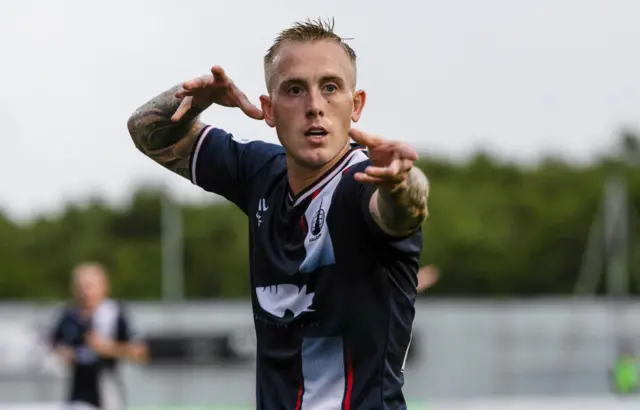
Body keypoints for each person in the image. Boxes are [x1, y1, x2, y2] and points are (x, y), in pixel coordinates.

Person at [127, 18, 429, 409]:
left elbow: (401, 212)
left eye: (331, 87)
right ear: (268, 109)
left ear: (356, 105)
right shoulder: (260, 171)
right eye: (295, 89)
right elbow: (146, 131)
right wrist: (193, 101)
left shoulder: (364, 183)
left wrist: (401, 184)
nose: (315, 106)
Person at [51, 262, 148, 410]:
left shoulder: (115, 314)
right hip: (77, 394)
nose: (85, 292)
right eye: (80, 287)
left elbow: (141, 353)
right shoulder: (68, 316)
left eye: (89, 286)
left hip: (108, 392)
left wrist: (109, 348)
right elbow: (55, 345)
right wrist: (64, 354)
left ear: (104, 287)